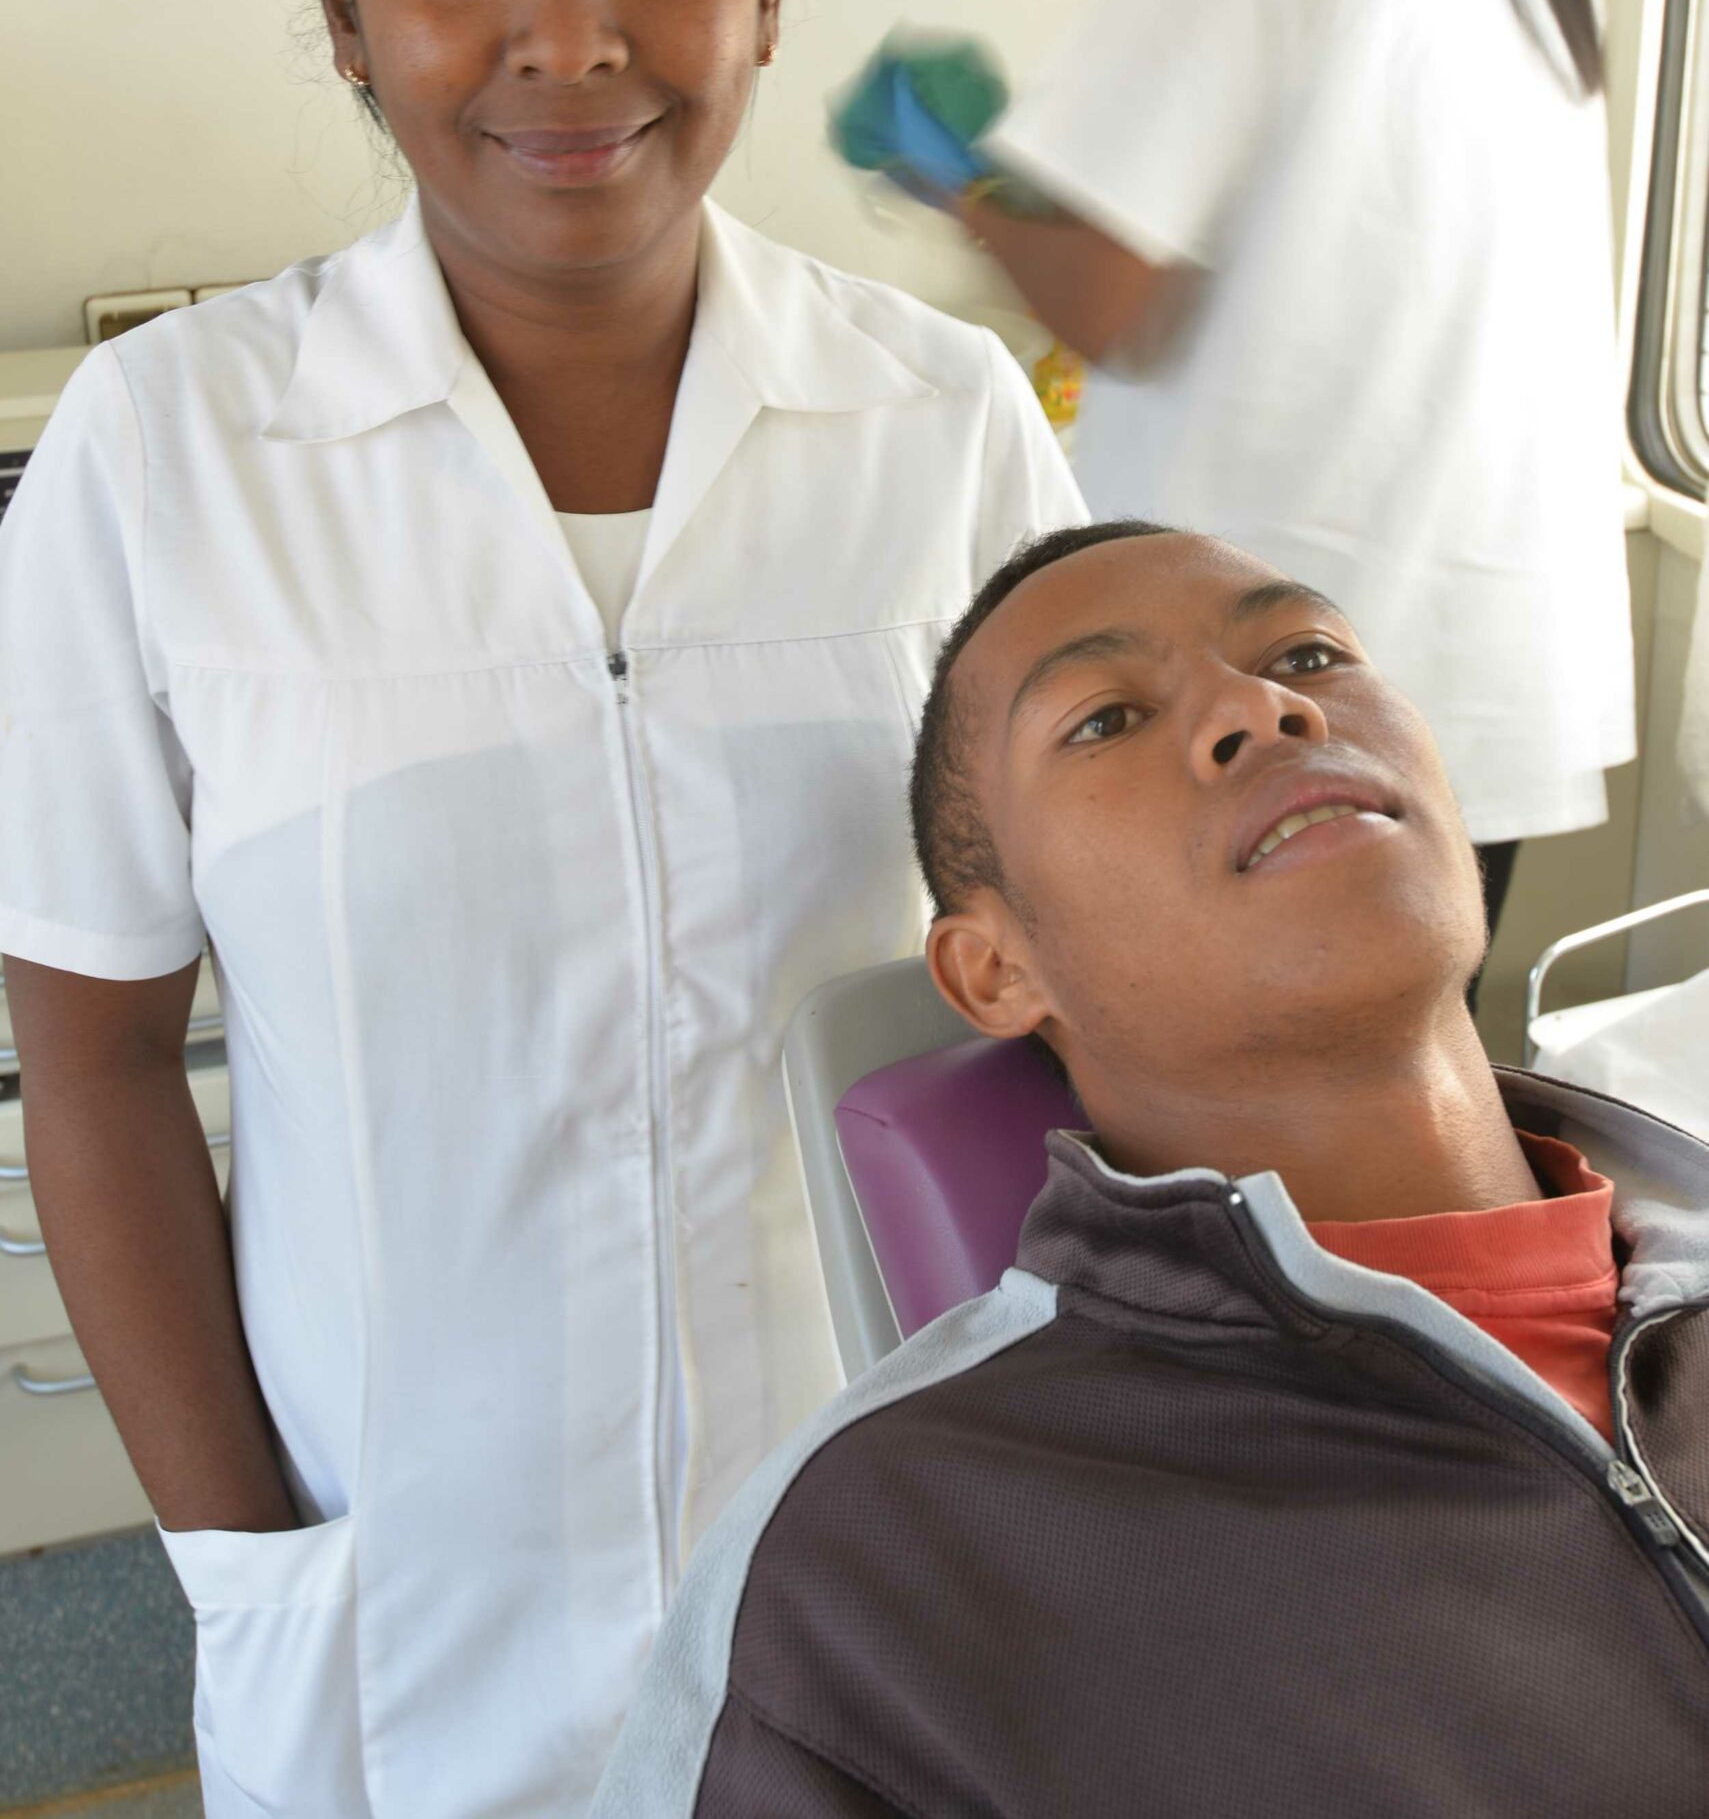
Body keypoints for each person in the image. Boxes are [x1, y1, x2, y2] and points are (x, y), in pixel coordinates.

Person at [0, 0, 1082, 1819]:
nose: (571, 37)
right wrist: (244, 1558)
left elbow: (1086, 994)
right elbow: (93, 1053)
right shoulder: (168, 455)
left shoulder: (941, 425)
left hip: (878, 1582)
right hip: (399, 1633)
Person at [593, 521, 1709, 1819]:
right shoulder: (879, 1577)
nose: (1262, 707)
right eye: (1106, 718)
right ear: (994, 969)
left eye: (1307, 655)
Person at [930, 0, 1634, 936]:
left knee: (1223, 1067)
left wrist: (949, 179)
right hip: (1481, 679)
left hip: (1262, 702)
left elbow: (1107, 304)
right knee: (1406, 1051)